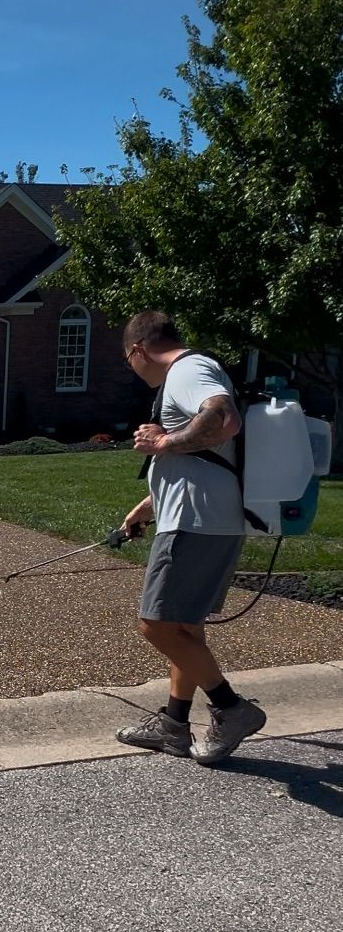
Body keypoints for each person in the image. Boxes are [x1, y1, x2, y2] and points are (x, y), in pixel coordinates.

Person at [115, 311, 266, 764]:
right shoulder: (192, 371)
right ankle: (174, 726)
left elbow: (222, 419)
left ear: (139, 350)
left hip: (195, 523)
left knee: (157, 625)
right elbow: (200, 461)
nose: (132, 369)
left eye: (129, 361)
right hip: (203, 517)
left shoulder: (186, 371)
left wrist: (161, 444)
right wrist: (147, 507)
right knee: (184, 627)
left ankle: (231, 709)